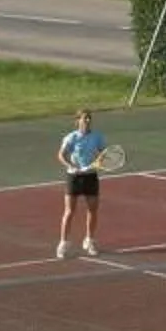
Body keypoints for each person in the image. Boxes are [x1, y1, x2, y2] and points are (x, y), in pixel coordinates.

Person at [54, 109, 109, 259]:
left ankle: (89, 241)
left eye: (89, 118)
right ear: (77, 120)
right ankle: (63, 244)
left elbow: (105, 154)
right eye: (84, 118)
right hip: (74, 177)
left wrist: (100, 162)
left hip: (91, 176)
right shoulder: (71, 138)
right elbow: (60, 155)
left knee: (92, 210)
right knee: (69, 211)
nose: (87, 121)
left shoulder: (97, 137)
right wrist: (70, 165)